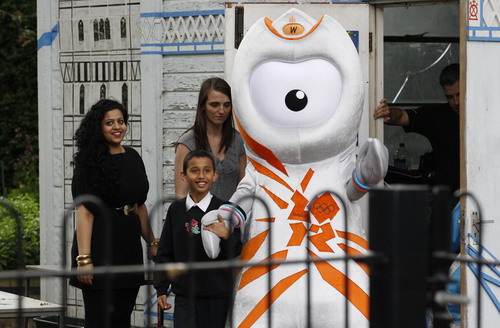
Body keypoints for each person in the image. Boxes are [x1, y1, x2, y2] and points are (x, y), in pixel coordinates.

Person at [69, 99, 158, 328]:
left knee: (122, 319)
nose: (117, 127)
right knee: (100, 321)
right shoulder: (88, 163)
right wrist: (84, 260)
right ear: (98, 127)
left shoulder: (132, 156)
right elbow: (85, 212)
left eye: (121, 121)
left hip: (128, 249)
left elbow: (139, 205)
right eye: (109, 122)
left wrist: (151, 241)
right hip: (99, 250)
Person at [154, 149, 242, 328]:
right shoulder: (176, 210)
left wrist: (226, 236)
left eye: (207, 170)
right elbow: (165, 251)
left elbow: (235, 251)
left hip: (215, 296)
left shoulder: (224, 210)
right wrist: (161, 288)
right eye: (194, 170)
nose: (201, 176)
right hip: (185, 296)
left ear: (215, 175)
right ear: (184, 175)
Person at [374, 63, 460, 191]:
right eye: (450, 97)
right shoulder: (438, 116)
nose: (456, 102)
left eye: (459, 94)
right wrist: (387, 113)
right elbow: (402, 116)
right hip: (446, 200)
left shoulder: (488, 116)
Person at [174, 77, 246, 201]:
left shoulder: (238, 141)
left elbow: (243, 189)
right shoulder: (188, 144)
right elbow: (181, 194)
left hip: (231, 217)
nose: (222, 111)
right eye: (215, 105)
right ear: (203, 106)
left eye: (227, 105)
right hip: (198, 218)